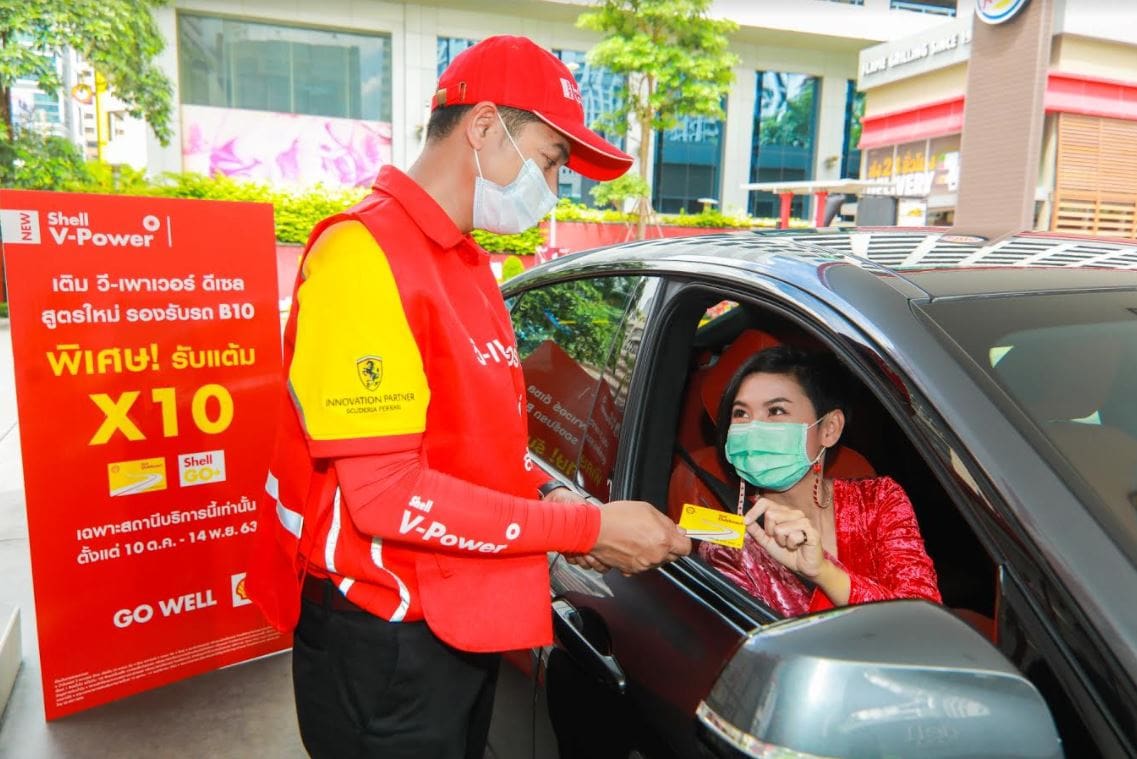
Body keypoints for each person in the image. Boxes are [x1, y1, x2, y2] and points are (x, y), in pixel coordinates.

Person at [246, 35, 691, 759]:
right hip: (385, 637)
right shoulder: (363, 256)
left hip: (462, 615)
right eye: (550, 159)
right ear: (483, 126)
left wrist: (552, 499)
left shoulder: (467, 262)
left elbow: (472, 443)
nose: (554, 186)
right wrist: (583, 530)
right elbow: (386, 497)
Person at [697, 345, 941, 617]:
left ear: (829, 428)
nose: (754, 428)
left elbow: (925, 618)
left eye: (776, 411)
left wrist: (824, 573)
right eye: (741, 413)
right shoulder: (726, 543)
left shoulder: (878, 498)